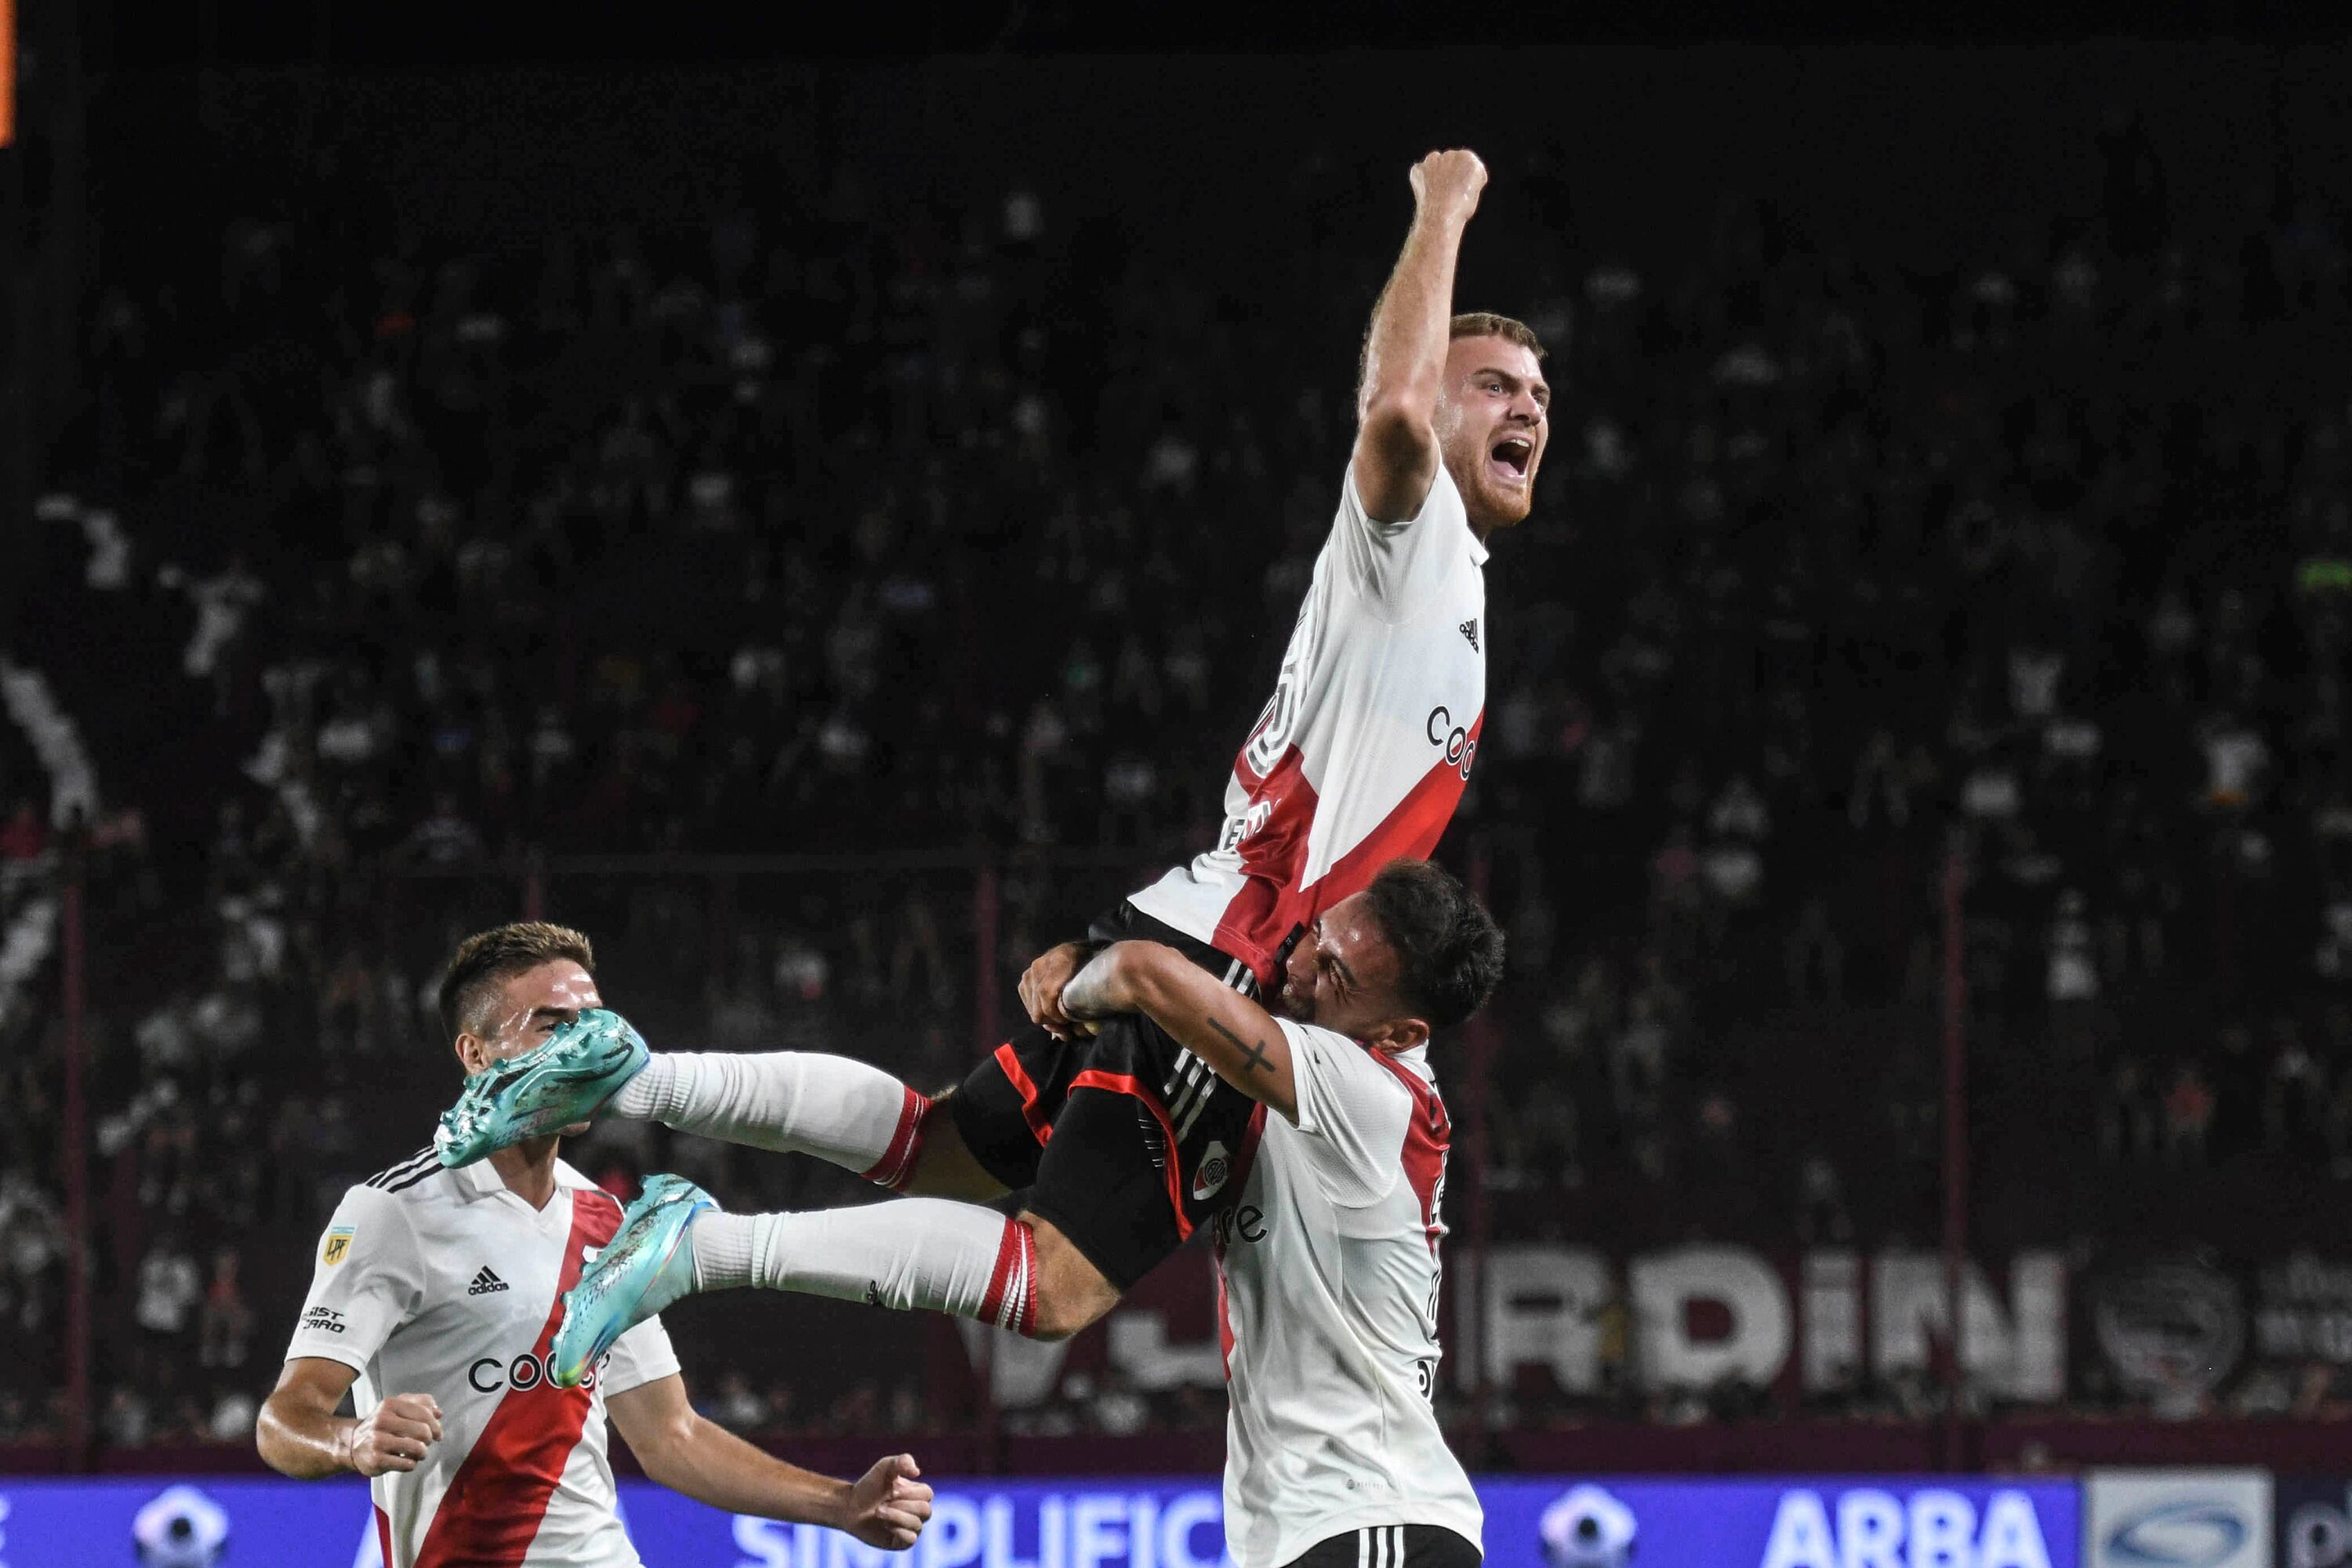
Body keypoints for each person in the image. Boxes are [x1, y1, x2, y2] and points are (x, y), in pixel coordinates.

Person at [434, 147, 1544, 1339]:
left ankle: (628, 1075)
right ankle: (697, 1242)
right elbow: (1389, 412)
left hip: (1197, 915)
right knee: (1059, 1282)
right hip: (1235, 962)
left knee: (940, 1151)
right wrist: (1446, 206)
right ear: (1438, 398)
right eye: (1492, 384)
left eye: (1538, 392)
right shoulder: (1415, 539)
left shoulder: (1448, 585)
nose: (1527, 405)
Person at [556, 857, 1504, 1568]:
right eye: (1317, 939)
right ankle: (646, 1090)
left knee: (1039, 1265)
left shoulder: (1370, 1095)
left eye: (1337, 974)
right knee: (947, 1155)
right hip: (1319, 1525)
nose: (1301, 969)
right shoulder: (1308, 1037)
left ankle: (687, 1200)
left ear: (1403, 1032)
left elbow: (1143, 970)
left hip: (1378, 1522)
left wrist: (1078, 977)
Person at [256, 922, 935, 1568]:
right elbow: (285, 1419)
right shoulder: (393, 1213)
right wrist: (353, 1438)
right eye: (553, 1025)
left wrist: (843, 1504)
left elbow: (672, 1437)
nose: (589, 1050)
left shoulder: (607, 1218)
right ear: (475, 1053)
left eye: (594, 1024)